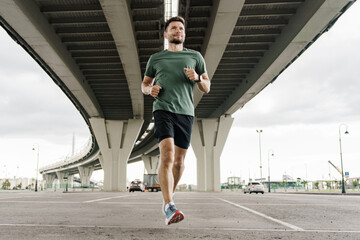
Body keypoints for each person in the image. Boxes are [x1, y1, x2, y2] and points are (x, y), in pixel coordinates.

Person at [141, 16, 210, 225]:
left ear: (184, 34)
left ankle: (168, 198)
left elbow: (207, 87)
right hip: (163, 109)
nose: (178, 31)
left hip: (186, 113)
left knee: (179, 163)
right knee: (168, 155)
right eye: (173, 28)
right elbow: (144, 85)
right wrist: (149, 90)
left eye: (181, 28)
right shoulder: (156, 59)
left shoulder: (195, 56)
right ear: (166, 34)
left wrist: (197, 78)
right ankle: (170, 205)